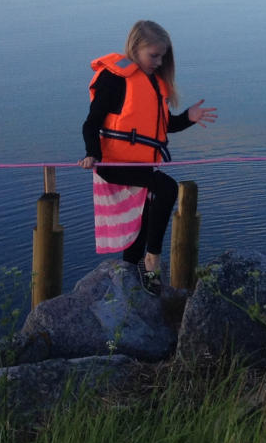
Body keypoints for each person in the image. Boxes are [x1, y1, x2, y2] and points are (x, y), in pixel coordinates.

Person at [79, 20, 216, 291]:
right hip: (113, 163)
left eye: (162, 56)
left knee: (145, 214)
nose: (159, 61)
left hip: (140, 163)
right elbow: (90, 124)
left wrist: (188, 117)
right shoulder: (115, 80)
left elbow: (162, 127)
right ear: (135, 48)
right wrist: (92, 154)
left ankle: (132, 272)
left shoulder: (154, 84)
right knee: (166, 188)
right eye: (154, 55)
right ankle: (152, 260)